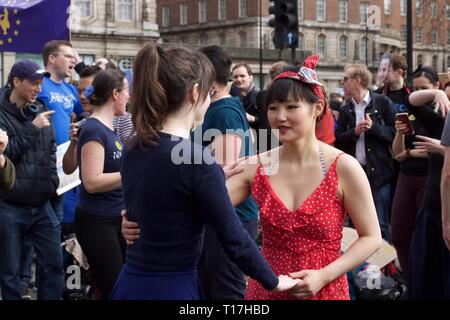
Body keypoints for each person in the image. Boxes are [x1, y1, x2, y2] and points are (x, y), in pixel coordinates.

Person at [121, 54, 382, 300]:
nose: (280, 117)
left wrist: (324, 275)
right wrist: (137, 218)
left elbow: (371, 237)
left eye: (292, 107)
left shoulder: (343, 167)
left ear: (317, 108)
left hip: (325, 289)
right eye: (273, 108)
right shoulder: (255, 166)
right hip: (266, 290)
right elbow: (193, 208)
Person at [111, 44, 299, 300]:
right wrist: (274, 281)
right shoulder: (197, 160)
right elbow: (234, 238)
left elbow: (162, 193)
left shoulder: (135, 146)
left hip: (130, 282)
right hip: (172, 287)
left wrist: (215, 178)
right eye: (209, 92)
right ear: (195, 92)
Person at [194, 45, 259, 300]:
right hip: (221, 216)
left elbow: (226, 171)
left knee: (227, 290)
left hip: (231, 217)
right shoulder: (221, 109)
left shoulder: (224, 113)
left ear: (209, 78)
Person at [0, 60, 64, 300]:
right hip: (9, 205)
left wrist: (52, 183)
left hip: (42, 204)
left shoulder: (39, 109)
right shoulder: (2, 113)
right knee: (10, 273)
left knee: (54, 266)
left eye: (41, 83)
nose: (39, 88)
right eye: (34, 83)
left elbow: (50, 151)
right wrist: (32, 128)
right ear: (16, 82)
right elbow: (4, 156)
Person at [74, 69, 129, 300]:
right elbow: (92, 182)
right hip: (98, 222)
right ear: (115, 93)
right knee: (114, 290)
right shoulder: (94, 129)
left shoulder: (108, 128)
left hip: (115, 218)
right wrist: (131, 173)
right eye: (127, 91)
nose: (129, 96)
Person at [335, 64, 397, 242]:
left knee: (380, 222)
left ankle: (385, 267)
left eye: (346, 79)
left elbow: (395, 134)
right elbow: (338, 137)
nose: (342, 82)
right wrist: (354, 132)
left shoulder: (382, 102)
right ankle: (362, 267)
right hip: (354, 173)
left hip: (379, 173)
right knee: (356, 224)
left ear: (358, 80)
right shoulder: (346, 108)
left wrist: (373, 128)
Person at [407, 66, 450, 299]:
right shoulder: (440, 121)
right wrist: (436, 94)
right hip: (432, 209)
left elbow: (448, 174)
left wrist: (443, 151)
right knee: (425, 275)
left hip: (444, 214)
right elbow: (412, 101)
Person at [390, 66, 431, 280]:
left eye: (424, 88)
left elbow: (435, 150)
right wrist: (399, 133)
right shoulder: (409, 112)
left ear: (435, 88)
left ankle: (422, 281)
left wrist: (410, 152)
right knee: (398, 234)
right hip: (405, 177)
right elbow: (397, 154)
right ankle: (409, 279)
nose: (418, 94)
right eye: (415, 89)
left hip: (428, 178)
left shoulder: (439, 112)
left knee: (424, 238)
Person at [232, 63, 260, 131]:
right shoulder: (232, 97)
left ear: (250, 78)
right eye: (235, 77)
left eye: (242, 76)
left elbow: (268, 122)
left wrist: (252, 118)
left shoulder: (260, 95)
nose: (238, 79)